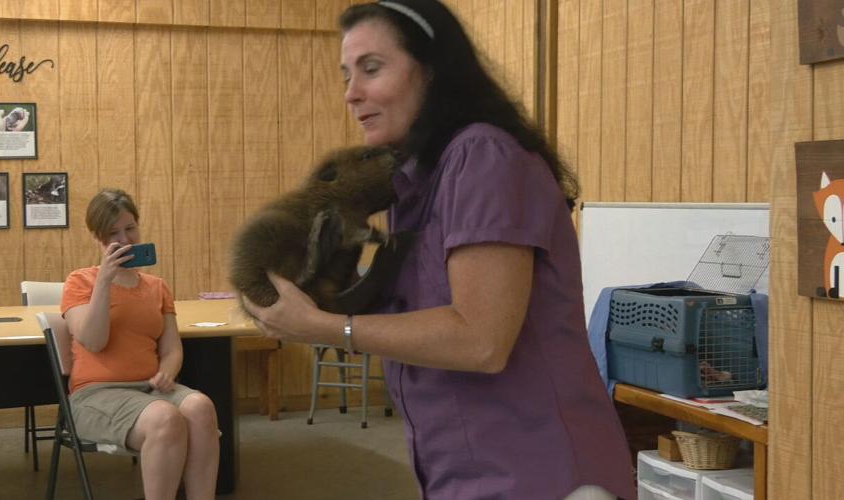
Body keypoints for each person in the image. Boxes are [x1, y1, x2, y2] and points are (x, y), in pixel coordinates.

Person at [242, 1, 635, 499]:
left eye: (371, 68)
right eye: (346, 75)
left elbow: (481, 340)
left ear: (432, 71)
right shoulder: (415, 183)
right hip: (465, 470)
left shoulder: (484, 156)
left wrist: (325, 328)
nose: (351, 93)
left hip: (537, 472)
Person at [61, 188, 219, 500]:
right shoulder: (80, 282)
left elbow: (171, 349)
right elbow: (93, 341)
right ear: (98, 238)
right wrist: (104, 281)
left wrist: (168, 372)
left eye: (130, 228)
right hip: (97, 395)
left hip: (150, 390)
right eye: (113, 233)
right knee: (164, 417)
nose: (125, 239)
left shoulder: (157, 287)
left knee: (201, 407)